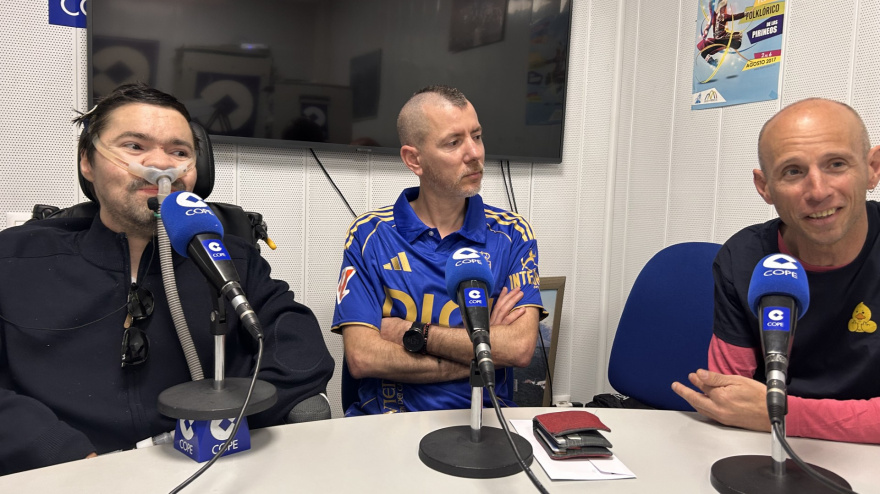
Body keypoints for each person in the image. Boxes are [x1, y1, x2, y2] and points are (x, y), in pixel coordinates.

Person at [0, 83, 334, 475]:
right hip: (66, 474)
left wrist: (228, 427)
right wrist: (61, 454)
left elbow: (299, 350)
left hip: (207, 467)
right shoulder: (17, 258)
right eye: (135, 147)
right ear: (87, 161)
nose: (161, 166)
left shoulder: (231, 258)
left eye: (179, 152)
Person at [672, 98, 880, 444]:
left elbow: (751, 409)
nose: (818, 191)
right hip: (768, 447)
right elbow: (729, 398)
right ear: (764, 187)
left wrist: (783, 412)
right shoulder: (744, 258)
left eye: (836, 164)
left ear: (873, 168)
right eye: (793, 171)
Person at [331, 85, 544, 415]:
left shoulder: (512, 234)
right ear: (414, 159)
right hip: (386, 424)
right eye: (454, 142)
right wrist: (485, 352)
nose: (474, 153)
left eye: (477, 136)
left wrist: (414, 334)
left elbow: (518, 349)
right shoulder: (368, 235)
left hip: (485, 418)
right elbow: (363, 357)